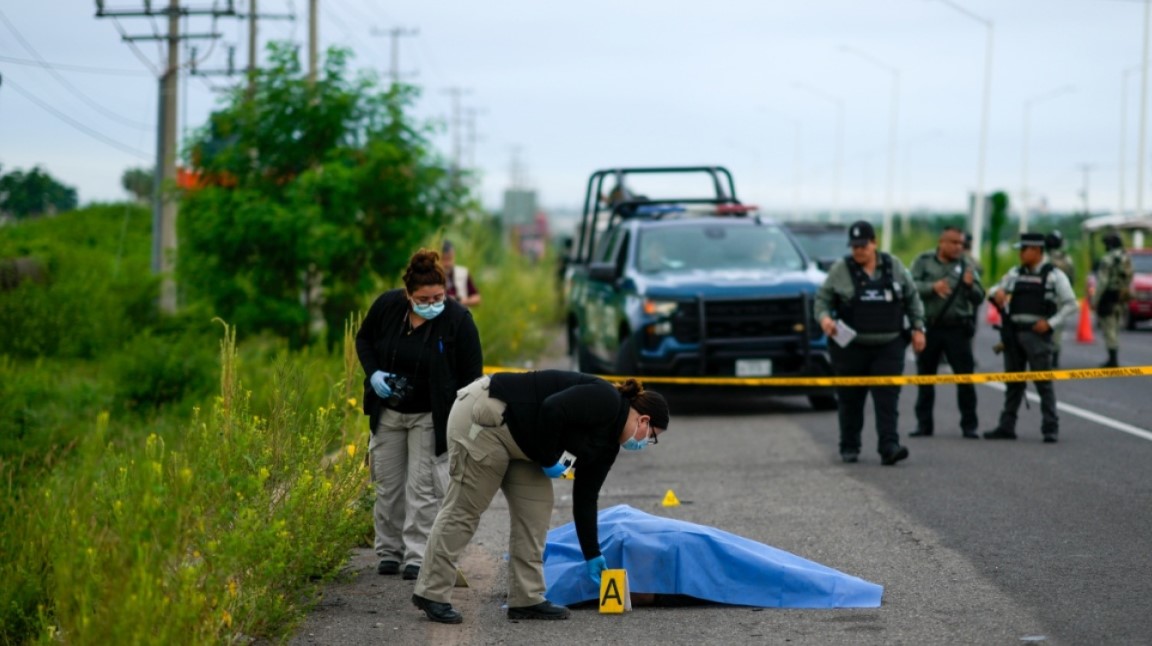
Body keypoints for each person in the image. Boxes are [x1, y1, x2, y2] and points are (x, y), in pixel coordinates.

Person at [411, 371, 670, 624]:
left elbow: (586, 497)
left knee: (536, 508)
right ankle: (430, 592)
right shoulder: (607, 400)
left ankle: (526, 598)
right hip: (485, 416)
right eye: (652, 437)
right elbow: (552, 408)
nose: (646, 442)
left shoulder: (607, 447)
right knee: (465, 508)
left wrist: (592, 554)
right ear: (644, 421)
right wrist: (548, 459)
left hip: (523, 441)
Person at [355, 249, 484, 581]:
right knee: (386, 485)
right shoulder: (387, 307)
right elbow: (364, 339)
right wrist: (373, 375)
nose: (432, 304)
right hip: (389, 412)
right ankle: (387, 551)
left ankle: (416, 555)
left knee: (423, 488)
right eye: (424, 298)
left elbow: (473, 375)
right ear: (408, 295)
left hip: (431, 415)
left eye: (439, 297)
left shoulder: (457, 320)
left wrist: (464, 423)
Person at [815, 220, 926, 466]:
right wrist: (824, 320)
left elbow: (912, 299)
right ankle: (849, 446)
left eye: (863, 245)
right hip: (851, 347)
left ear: (874, 243)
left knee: (887, 399)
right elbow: (822, 301)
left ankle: (889, 446)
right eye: (854, 246)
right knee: (850, 399)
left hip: (888, 345)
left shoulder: (894, 266)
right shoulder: (840, 269)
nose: (858, 251)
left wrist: (919, 328)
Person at [983, 232, 1078, 443]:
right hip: (1013, 334)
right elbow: (995, 289)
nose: (1020, 254)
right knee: (1013, 382)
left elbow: (1071, 304)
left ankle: (1050, 428)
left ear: (1036, 250)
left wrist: (1051, 323)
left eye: (1024, 249)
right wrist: (997, 293)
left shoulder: (1054, 275)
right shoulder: (1015, 273)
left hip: (1037, 335)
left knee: (1043, 383)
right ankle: (1006, 426)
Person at [910, 226, 985, 439]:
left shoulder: (966, 265)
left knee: (965, 378)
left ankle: (969, 425)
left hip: (957, 330)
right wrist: (932, 287)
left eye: (961, 243)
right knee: (925, 377)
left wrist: (971, 287)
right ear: (941, 242)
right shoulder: (923, 261)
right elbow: (909, 287)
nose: (958, 247)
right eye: (954, 242)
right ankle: (923, 425)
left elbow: (980, 297)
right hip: (930, 327)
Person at [1092, 232, 1134, 367]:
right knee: (1116, 326)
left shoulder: (1108, 259)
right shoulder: (1126, 257)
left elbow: (1102, 282)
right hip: (1122, 296)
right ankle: (1113, 357)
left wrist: (1095, 300)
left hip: (1108, 296)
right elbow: (1130, 276)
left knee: (1109, 328)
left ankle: (1113, 359)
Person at [1045, 230, 1076, 368]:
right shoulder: (1067, 259)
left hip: (1045, 297)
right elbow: (1072, 279)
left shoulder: (1044, 258)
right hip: (1061, 298)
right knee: (1057, 328)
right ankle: (1055, 358)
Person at [440, 239, 481, 309]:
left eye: (449, 259)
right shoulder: (433, 275)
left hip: (461, 314)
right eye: (444, 259)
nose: (447, 263)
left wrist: (463, 301)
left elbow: (477, 298)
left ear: (454, 255)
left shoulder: (463, 273)